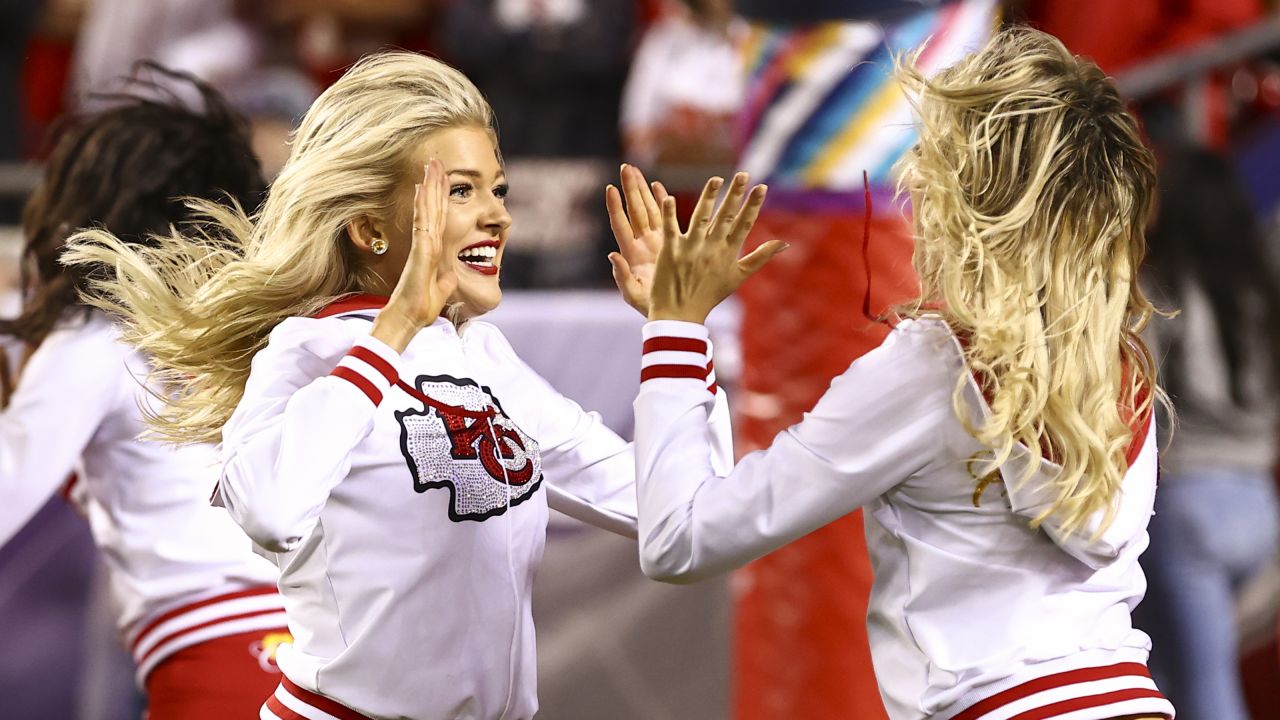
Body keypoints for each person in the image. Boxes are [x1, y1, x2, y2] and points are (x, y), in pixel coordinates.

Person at [66, 51, 730, 720]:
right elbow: (269, 511)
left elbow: (687, 517)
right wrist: (395, 329)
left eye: (498, 190)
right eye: (460, 191)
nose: (498, 217)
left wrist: (677, 326)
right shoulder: (308, 348)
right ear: (369, 228)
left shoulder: (485, 361)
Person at [616, 27, 1176, 720]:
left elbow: (682, 538)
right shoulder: (1127, 368)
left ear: (960, 190)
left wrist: (675, 324)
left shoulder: (930, 369)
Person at [0, 65, 287, 719]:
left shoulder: (95, 338)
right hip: (323, 655)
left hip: (218, 659)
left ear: (94, 206)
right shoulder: (263, 329)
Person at [1137, 146, 1280, 720]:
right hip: (1260, 510)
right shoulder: (1258, 294)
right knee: (1165, 677)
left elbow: (1135, 403)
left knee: (1204, 696)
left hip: (1188, 513)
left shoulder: (1161, 292)